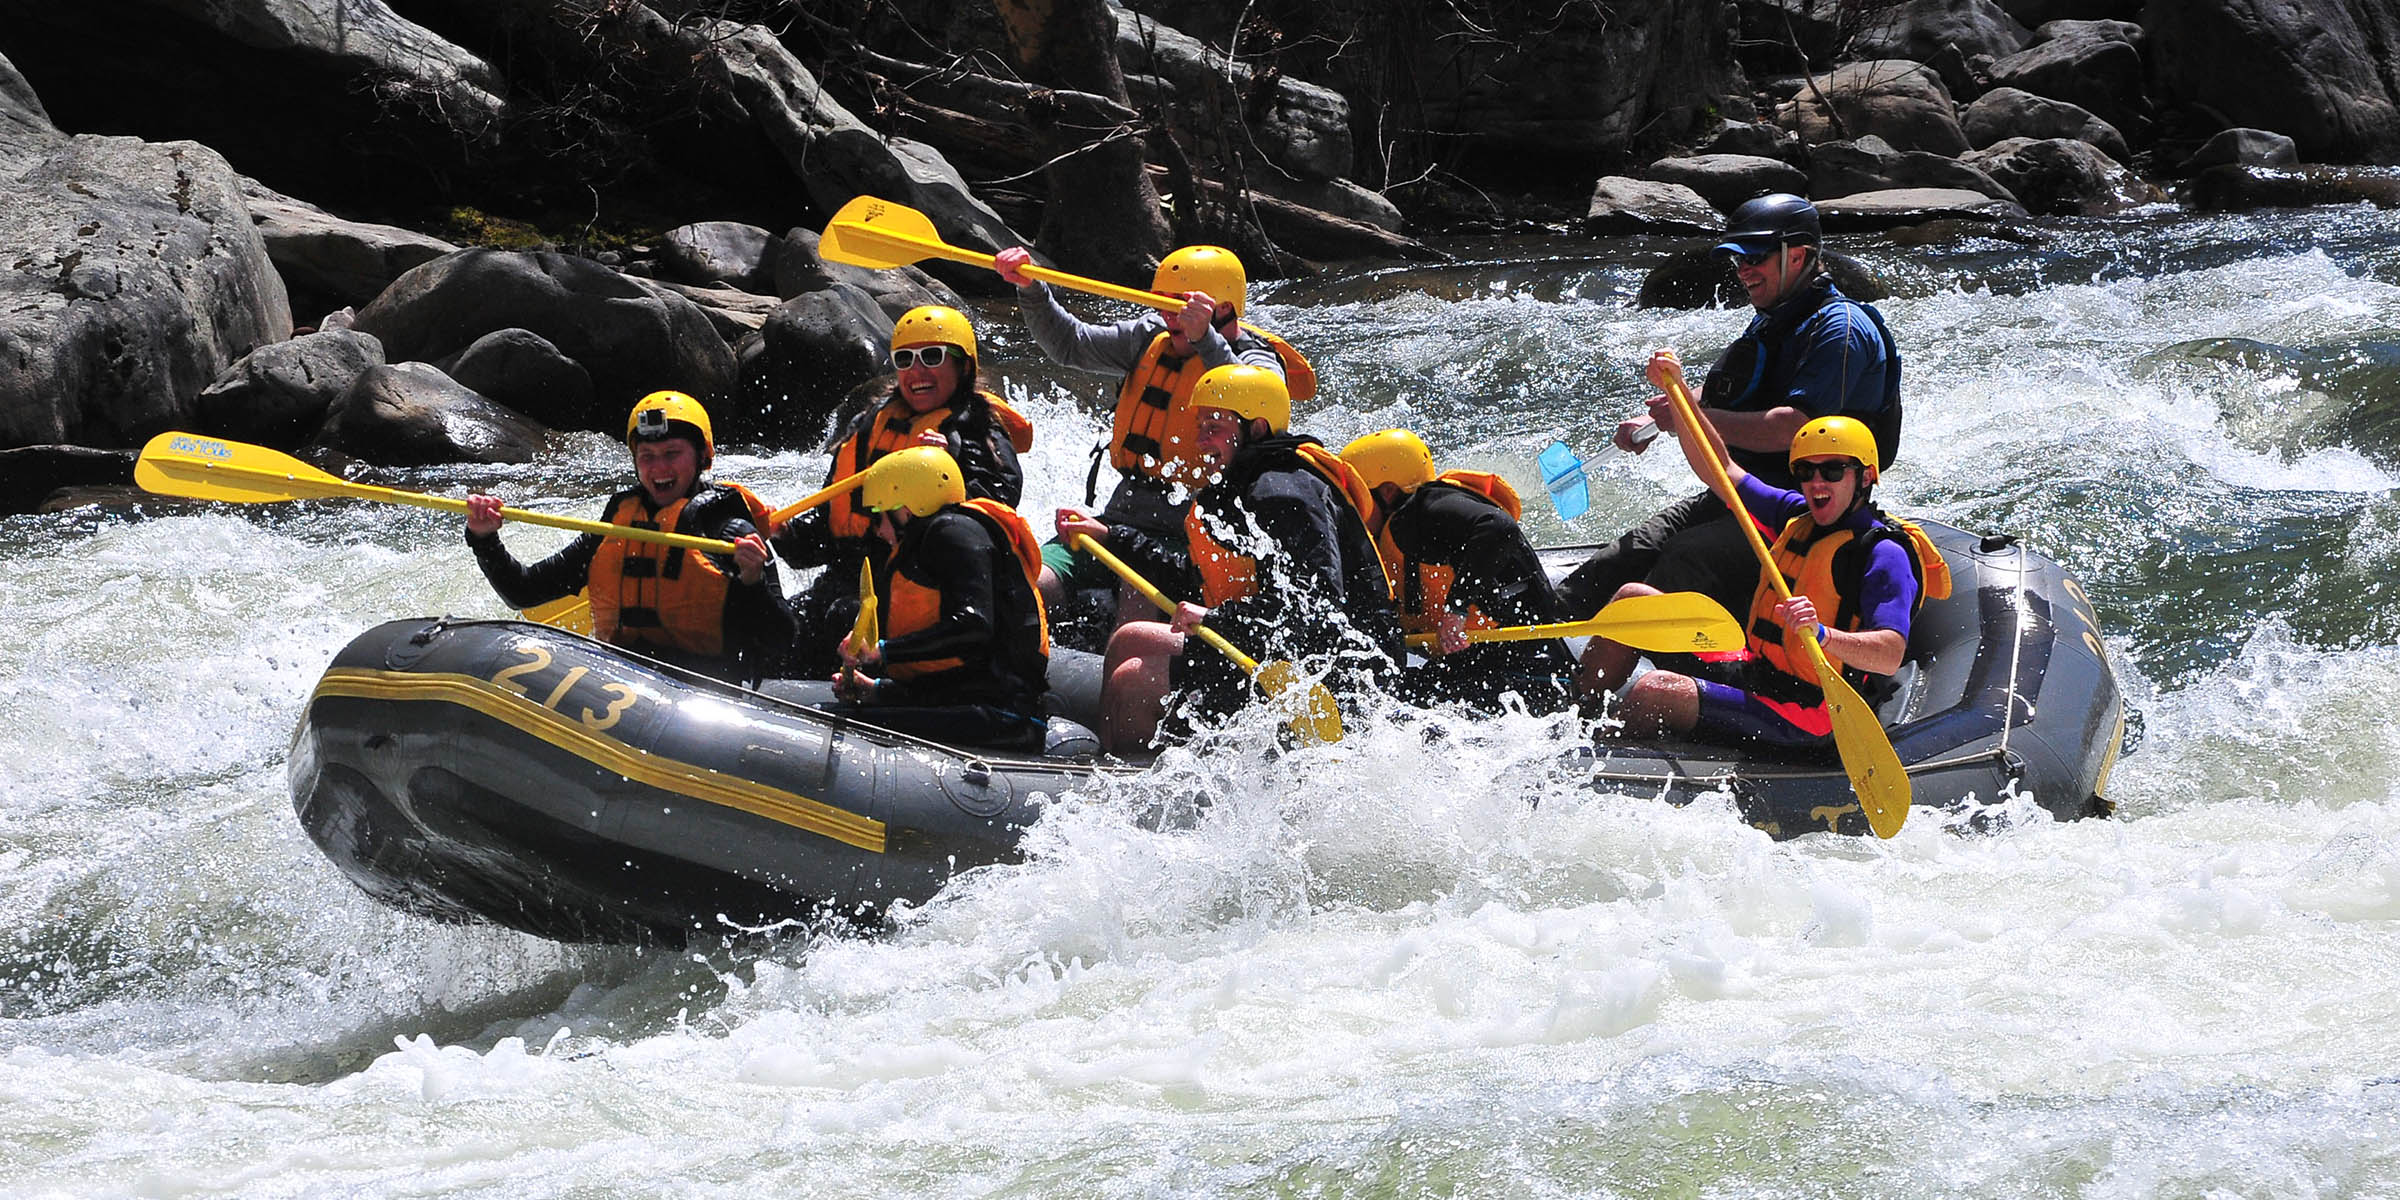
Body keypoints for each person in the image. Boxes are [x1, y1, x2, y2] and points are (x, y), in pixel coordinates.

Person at [1555, 193, 1903, 622]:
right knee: (1623, 556)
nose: (1743, 270)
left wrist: (1687, 419)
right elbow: (1727, 388)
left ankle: (1660, 677)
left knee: (1683, 560)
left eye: (1754, 256)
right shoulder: (1774, 316)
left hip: (1804, 507)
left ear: (1798, 256)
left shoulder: (1841, 330)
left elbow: (1794, 428)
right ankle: (1535, 657)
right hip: (1739, 490)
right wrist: (1662, 413)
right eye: (1738, 258)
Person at [1581, 354, 1944, 748]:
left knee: (1657, 690)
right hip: (1759, 672)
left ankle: (1595, 757)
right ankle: (1574, 716)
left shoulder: (1883, 553)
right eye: (1807, 471)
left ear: (1866, 477)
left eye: (1833, 470)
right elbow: (1720, 468)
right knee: (1633, 602)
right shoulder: (1797, 515)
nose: (1817, 482)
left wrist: (1823, 636)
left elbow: (1889, 653)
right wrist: (1681, 394)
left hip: (1814, 712)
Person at [991, 243, 1316, 635]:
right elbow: (1069, 344)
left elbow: (1254, 398)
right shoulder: (1149, 337)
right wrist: (1031, 290)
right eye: (1162, 302)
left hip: (1190, 541)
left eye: (1182, 305)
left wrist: (1204, 339)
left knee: (1135, 606)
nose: (1168, 314)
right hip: (1118, 520)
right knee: (1023, 583)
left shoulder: (1257, 359)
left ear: (1224, 309)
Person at [1087, 365, 1399, 752]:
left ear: (1256, 427)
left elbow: (1314, 608)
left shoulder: (1285, 493)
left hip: (1323, 673)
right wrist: (1112, 537)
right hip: (1260, 644)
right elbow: (1196, 577)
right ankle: (1104, 760)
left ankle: (1132, 783)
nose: (1201, 441)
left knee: (1132, 681)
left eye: (1214, 426)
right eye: (1200, 426)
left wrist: (1217, 620)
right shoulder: (1240, 488)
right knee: (1127, 639)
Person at [771, 305, 1033, 677]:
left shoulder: (977, 431)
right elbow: (831, 527)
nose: (916, 371)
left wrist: (947, 470)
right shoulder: (870, 424)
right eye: (905, 359)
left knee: (843, 617)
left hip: (920, 594)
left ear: (963, 366)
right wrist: (785, 533)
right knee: (781, 628)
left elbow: (994, 518)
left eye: (931, 357)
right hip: (850, 582)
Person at [464, 390, 792, 684]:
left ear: (702, 456)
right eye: (647, 456)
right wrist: (485, 539)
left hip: (704, 693)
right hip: (623, 685)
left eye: (672, 453)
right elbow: (523, 591)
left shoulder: (730, 530)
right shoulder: (616, 526)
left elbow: (781, 640)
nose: (659, 468)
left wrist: (752, 581)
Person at [829, 446, 1052, 750]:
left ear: (907, 508)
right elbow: (957, 677)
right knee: (835, 712)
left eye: (879, 515)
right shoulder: (930, 541)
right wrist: (879, 689)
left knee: (831, 720)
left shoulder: (953, 534)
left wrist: (883, 651)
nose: (878, 529)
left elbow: (974, 628)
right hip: (969, 699)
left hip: (1001, 712)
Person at [1340, 428, 1575, 712]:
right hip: (1491, 665)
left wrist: (1457, 610)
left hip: (1526, 672)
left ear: (1388, 491)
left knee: (1387, 703)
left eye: (1359, 500)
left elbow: (1498, 528)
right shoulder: (1411, 524)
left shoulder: (1424, 512)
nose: (1355, 514)